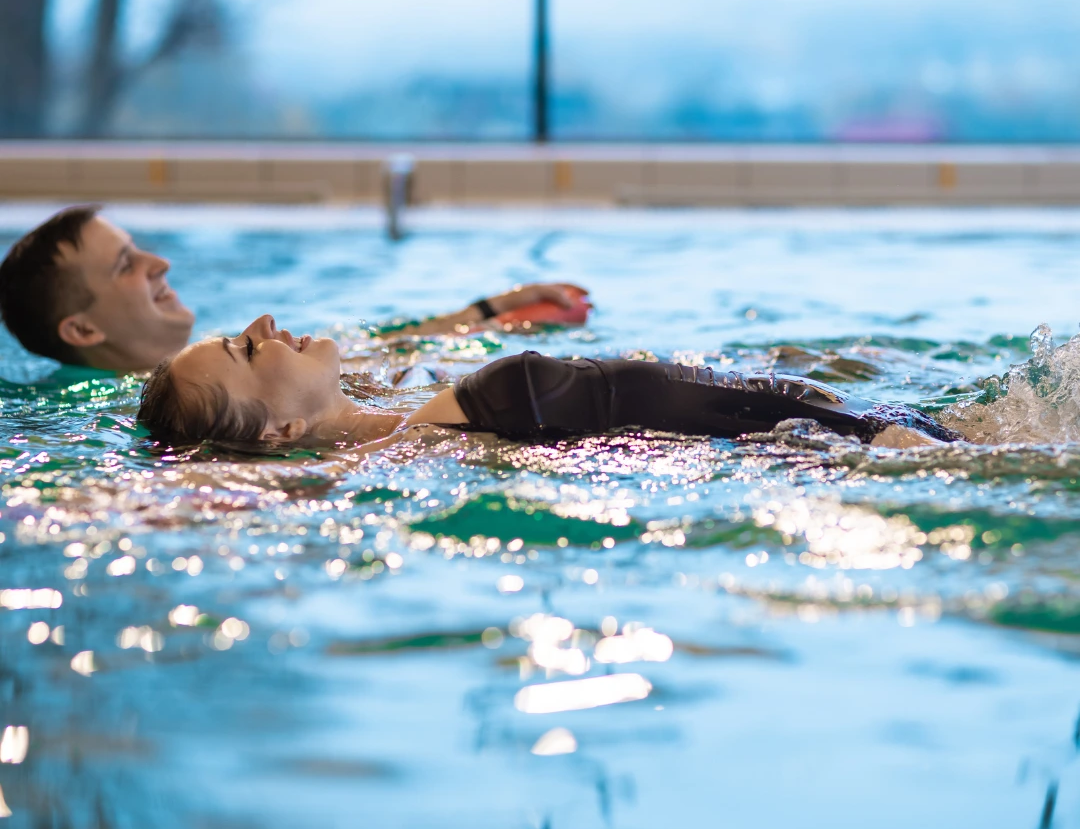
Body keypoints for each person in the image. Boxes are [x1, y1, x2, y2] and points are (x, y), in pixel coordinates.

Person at [137, 313, 964, 452]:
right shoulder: (421, 449)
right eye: (244, 353)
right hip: (825, 448)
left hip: (819, 417)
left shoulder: (406, 403)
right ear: (279, 432)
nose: (261, 329)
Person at [0, 205, 587, 374]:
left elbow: (368, 345)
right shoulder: (158, 414)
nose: (161, 262)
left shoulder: (225, 364)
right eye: (126, 263)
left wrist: (487, 312)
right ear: (82, 330)